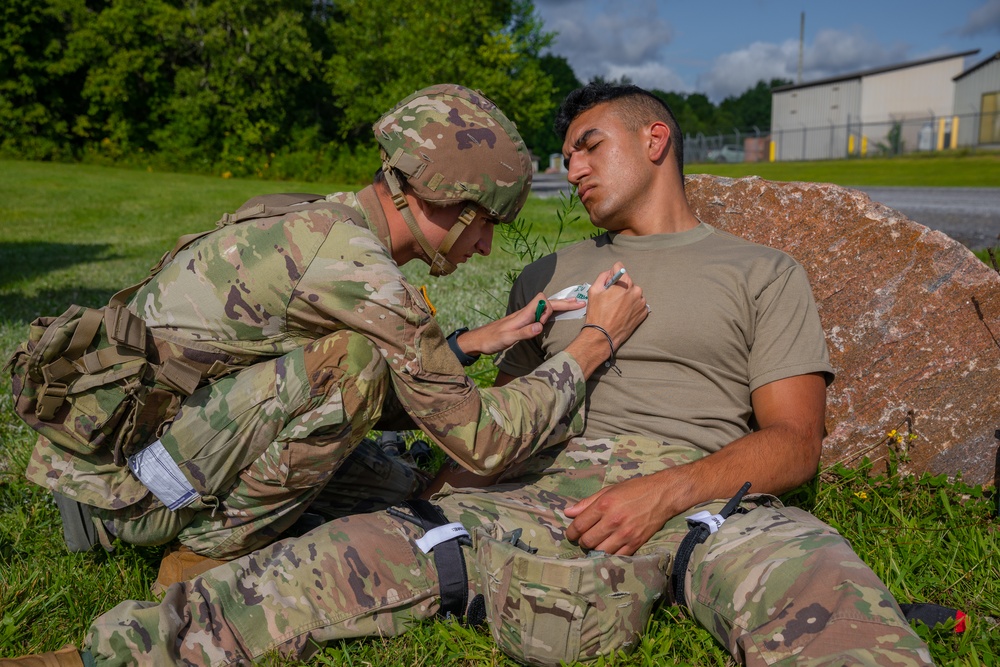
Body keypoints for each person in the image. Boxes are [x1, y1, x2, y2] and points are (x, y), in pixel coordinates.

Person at [3, 83, 933, 667]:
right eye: (562, 152)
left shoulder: (757, 270)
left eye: (589, 144)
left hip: (704, 494)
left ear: (656, 140)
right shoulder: (549, 272)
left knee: (829, 605)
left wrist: (669, 490)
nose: (572, 166)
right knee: (325, 563)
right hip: (534, 485)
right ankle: (112, 647)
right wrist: (469, 449)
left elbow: (794, 442)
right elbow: (483, 424)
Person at [17, 83, 647, 567]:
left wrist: (475, 342)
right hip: (139, 478)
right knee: (352, 366)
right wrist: (595, 343)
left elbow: (395, 388)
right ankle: (204, 548)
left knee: (404, 485)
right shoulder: (355, 269)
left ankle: (146, 508)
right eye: (484, 224)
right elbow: (483, 440)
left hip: (142, 436)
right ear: (446, 202)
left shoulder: (329, 220)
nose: (483, 247)